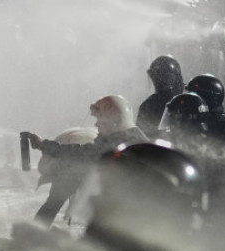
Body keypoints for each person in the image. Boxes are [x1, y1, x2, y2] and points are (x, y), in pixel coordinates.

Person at [23, 95, 148, 226]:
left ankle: (34, 234)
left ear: (113, 120)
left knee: (68, 178)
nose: (96, 124)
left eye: (100, 120)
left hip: (128, 211)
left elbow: (82, 153)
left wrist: (44, 145)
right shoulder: (130, 136)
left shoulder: (119, 142)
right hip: (132, 204)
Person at [137, 56, 185, 137]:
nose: (158, 80)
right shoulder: (149, 104)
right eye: (156, 77)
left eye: (161, 76)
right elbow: (142, 137)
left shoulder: (187, 100)